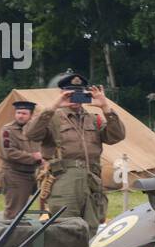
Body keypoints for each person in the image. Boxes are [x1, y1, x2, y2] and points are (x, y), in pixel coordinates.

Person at [25, 73, 126, 236]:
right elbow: (30, 133)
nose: (75, 99)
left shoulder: (93, 119)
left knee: (92, 228)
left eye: (80, 94)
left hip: (92, 180)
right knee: (65, 228)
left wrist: (105, 106)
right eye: (71, 94)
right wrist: (54, 106)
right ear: (62, 94)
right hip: (64, 180)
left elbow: (117, 136)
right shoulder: (53, 118)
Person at [0, 100, 42, 219]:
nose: (20, 116)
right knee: (14, 211)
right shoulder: (8, 130)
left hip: (31, 174)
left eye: (24, 113)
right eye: (18, 113)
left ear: (31, 115)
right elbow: (9, 152)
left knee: (24, 210)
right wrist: (33, 157)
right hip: (14, 174)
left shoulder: (35, 130)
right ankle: (9, 236)